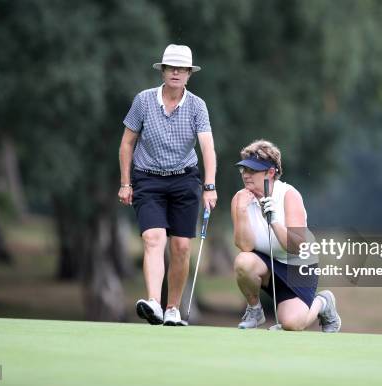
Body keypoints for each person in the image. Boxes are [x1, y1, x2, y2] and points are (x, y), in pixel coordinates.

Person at [118, 44, 217, 326]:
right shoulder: (143, 101)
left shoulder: (197, 106)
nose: (175, 72)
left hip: (185, 179)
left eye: (181, 68)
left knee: (182, 247)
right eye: (171, 67)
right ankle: (153, 302)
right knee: (153, 238)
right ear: (162, 71)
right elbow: (127, 143)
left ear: (189, 74)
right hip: (147, 178)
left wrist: (209, 186)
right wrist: (126, 183)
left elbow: (207, 147)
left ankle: (172, 307)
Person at [231, 139, 341, 332]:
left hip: (298, 266)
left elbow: (295, 246)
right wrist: (241, 212)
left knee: (292, 324)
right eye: (244, 170)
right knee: (243, 261)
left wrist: (274, 221)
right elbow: (245, 247)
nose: (246, 175)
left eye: (253, 170)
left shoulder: (289, 195)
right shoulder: (240, 199)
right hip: (266, 262)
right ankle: (255, 310)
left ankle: (323, 302)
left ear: (271, 173)